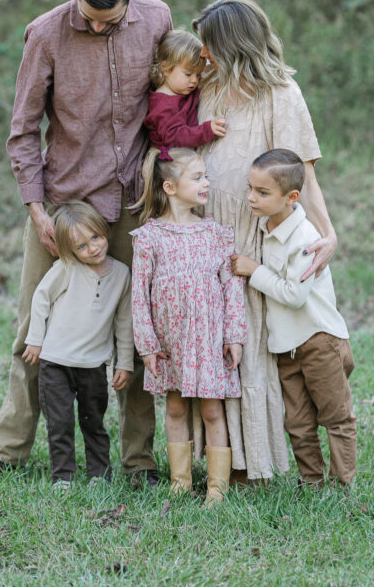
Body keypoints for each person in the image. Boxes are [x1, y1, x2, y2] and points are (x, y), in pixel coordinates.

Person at [0, 0, 171, 482]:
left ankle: (138, 462)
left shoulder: (157, 19)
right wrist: (37, 210)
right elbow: (23, 131)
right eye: (86, 12)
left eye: (105, 19)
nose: (92, 23)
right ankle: (9, 451)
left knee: (137, 331)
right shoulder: (45, 33)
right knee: (33, 328)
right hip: (64, 209)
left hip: (135, 203)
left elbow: (170, 100)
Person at [192, 0, 338, 481]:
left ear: (233, 45)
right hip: (204, 236)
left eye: (211, 44)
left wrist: (328, 233)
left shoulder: (281, 93)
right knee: (210, 346)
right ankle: (214, 459)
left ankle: (253, 462)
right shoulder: (206, 87)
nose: (203, 52)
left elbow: (305, 175)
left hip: (253, 241)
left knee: (250, 348)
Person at [231, 150, 355, 486]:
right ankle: (312, 483)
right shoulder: (262, 226)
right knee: (298, 422)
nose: (251, 198)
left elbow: (295, 295)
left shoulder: (305, 239)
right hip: (286, 347)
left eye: (262, 192)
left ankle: (342, 485)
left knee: (335, 416)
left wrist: (254, 271)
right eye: (250, 188)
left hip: (319, 339)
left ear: (292, 198)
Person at [131, 147, 246, 504]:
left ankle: (217, 488)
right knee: (176, 407)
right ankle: (180, 481)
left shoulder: (215, 234)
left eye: (205, 176)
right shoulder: (150, 237)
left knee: (213, 409)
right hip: (171, 342)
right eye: (197, 177)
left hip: (208, 340)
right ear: (169, 187)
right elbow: (139, 295)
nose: (206, 183)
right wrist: (147, 345)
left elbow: (232, 287)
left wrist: (234, 335)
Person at [22, 201, 134, 488]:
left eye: (95, 237)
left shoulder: (121, 274)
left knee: (93, 422)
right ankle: (63, 476)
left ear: (104, 230)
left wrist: (124, 362)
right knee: (59, 423)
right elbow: (41, 299)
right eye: (81, 246)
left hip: (93, 365)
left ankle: (99, 473)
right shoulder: (67, 268)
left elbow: (124, 321)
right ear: (70, 251)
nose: (93, 248)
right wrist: (35, 340)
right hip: (55, 361)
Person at [144, 29, 227, 158]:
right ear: (165, 69)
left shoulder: (182, 89)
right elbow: (175, 137)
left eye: (198, 74)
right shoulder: (163, 105)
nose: (194, 80)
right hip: (172, 163)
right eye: (188, 74)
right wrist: (207, 130)